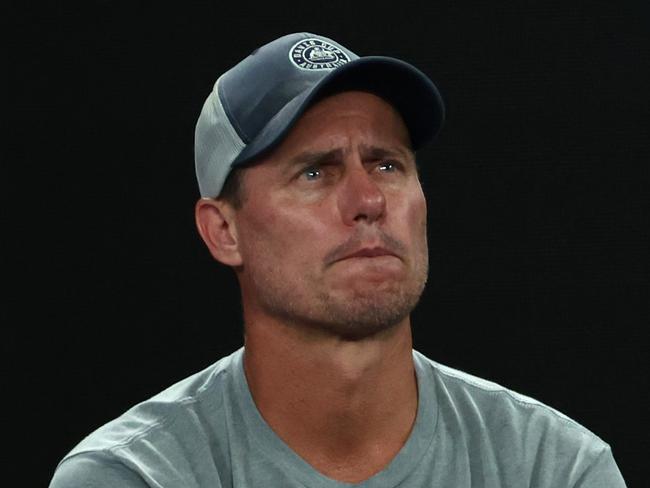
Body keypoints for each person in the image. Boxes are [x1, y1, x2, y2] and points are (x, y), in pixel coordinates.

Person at [49, 32, 627, 487]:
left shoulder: (551, 468)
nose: (368, 201)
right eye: (314, 171)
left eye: (386, 164)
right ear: (224, 231)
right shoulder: (135, 476)